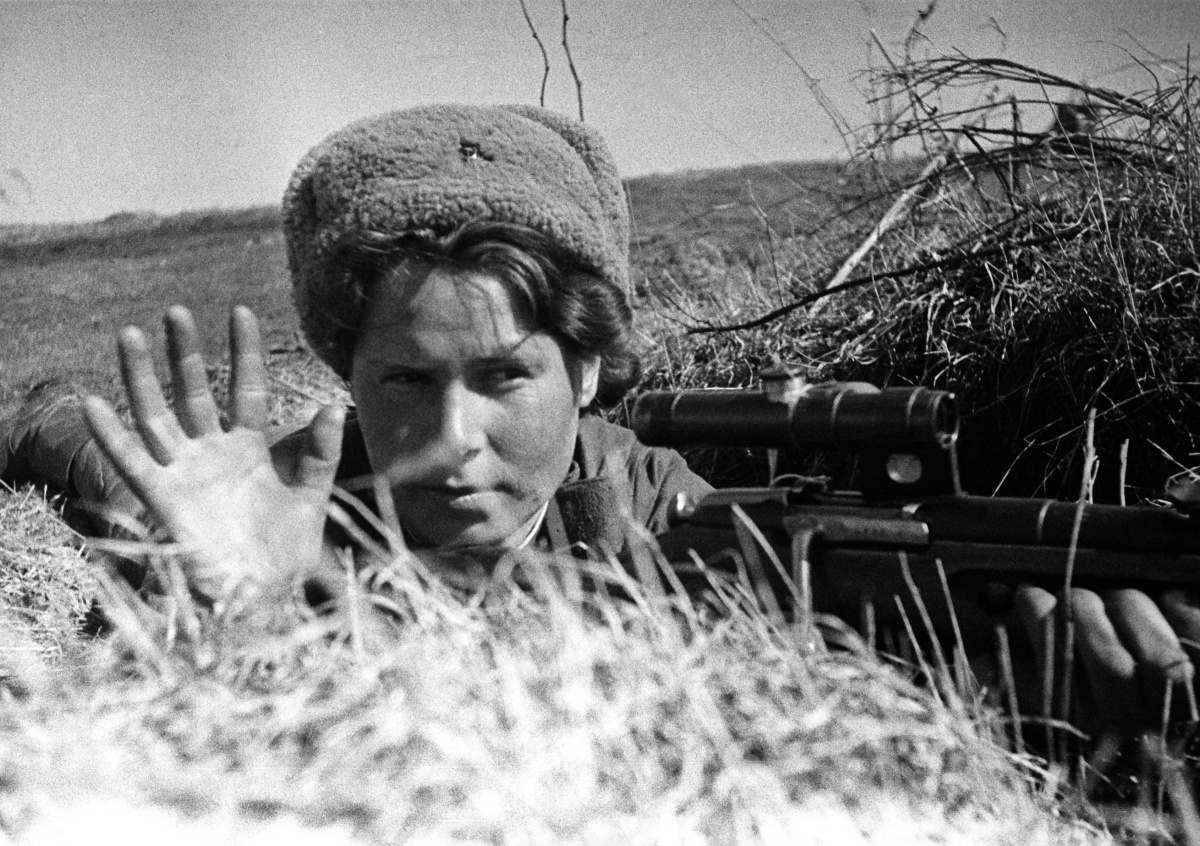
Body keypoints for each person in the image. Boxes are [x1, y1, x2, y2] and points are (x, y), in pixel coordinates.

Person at [0, 104, 1196, 748]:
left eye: (505, 378)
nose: (454, 437)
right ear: (344, 375)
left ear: (587, 371)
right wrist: (231, 620)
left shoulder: (681, 535)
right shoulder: (268, 502)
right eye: (405, 381)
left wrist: (1008, 701)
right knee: (81, 453)